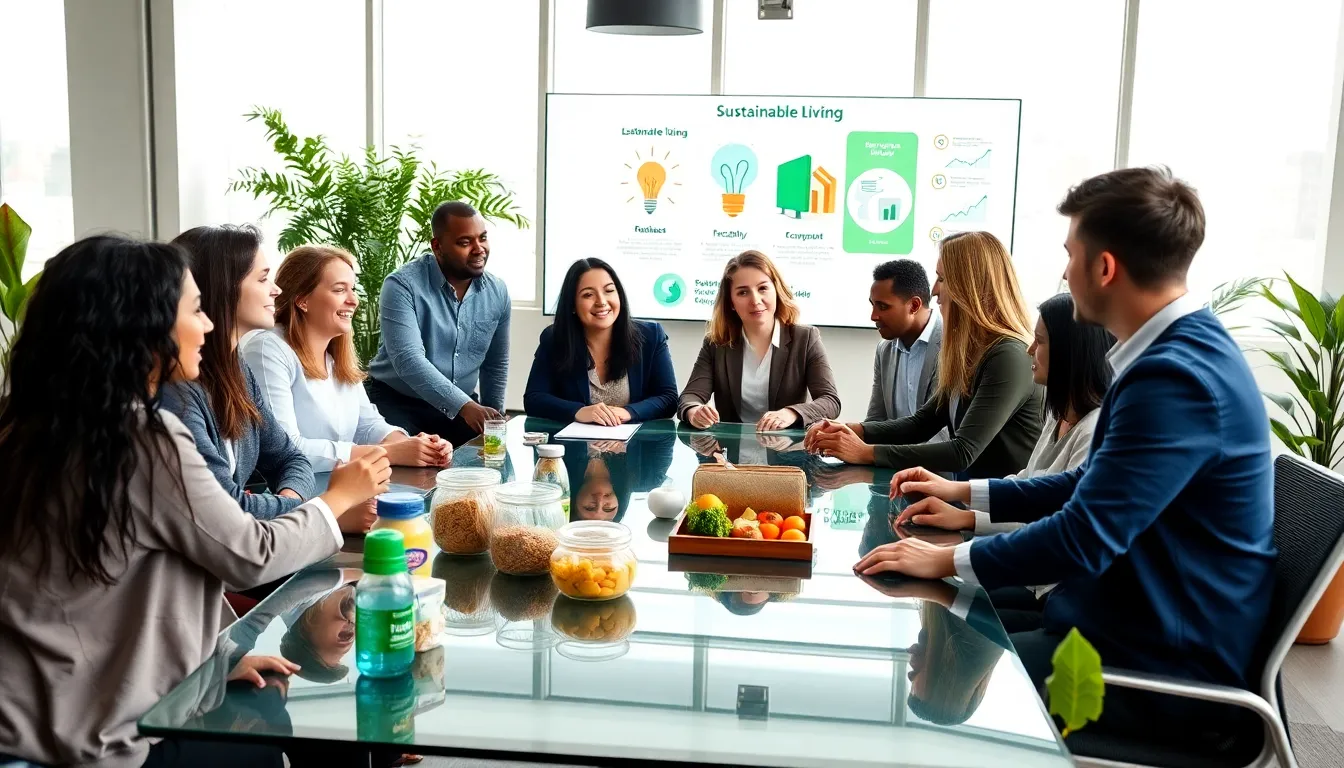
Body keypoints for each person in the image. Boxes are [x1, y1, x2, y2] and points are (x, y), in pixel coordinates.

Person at [856, 167, 1275, 752]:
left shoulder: (1174, 378)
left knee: (953, 717)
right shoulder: (1176, 355)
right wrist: (966, 498)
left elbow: (1083, 536)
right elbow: (1083, 485)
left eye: (1069, 253)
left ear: (1104, 268)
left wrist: (952, 559)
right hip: (1123, 626)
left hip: (1152, 673)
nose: (1061, 271)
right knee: (937, 603)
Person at [0, 235, 390, 768]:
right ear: (144, 329)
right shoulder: (143, 435)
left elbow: (113, 587)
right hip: (90, 732)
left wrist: (213, 660)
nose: (207, 325)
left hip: (38, 708)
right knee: (288, 736)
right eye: (196, 309)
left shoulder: (27, 423)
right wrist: (335, 497)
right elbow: (247, 552)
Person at [804, 232, 1042, 477]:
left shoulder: (1008, 356)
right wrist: (851, 429)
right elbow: (921, 424)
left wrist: (866, 452)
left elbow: (962, 452)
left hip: (1001, 512)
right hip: (968, 504)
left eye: (942, 278)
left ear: (969, 286)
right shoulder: (971, 352)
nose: (935, 290)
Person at [894, 292, 1114, 536]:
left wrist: (966, 519)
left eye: (1039, 341)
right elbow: (1026, 482)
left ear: (1069, 352)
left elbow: (1054, 523)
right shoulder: (1058, 415)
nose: (1030, 350)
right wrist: (953, 493)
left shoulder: (1093, 430)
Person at [160, 224, 319, 523]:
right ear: (224, 288)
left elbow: (291, 458)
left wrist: (285, 502)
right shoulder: (177, 393)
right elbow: (225, 510)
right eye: (262, 278)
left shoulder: (237, 370)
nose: (276, 289)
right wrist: (310, 512)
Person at [242, 245, 452, 472]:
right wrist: (385, 453)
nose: (354, 300)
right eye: (340, 290)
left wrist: (417, 446)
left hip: (339, 486)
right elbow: (283, 448)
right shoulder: (267, 348)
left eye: (353, 289)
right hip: (289, 496)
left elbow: (368, 425)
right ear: (302, 300)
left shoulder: (335, 357)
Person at [366, 201, 510, 446]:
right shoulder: (402, 286)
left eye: (482, 238)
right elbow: (408, 360)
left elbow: (495, 364)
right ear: (438, 246)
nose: (479, 249)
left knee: (486, 466)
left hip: (462, 406)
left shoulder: (497, 292)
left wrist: (493, 419)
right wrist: (464, 406)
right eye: (465, 242)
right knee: (414, 468)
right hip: (397, 402)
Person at [677, 250, 841, 431]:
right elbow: (690, 397)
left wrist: (790, 413)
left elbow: (830, 401)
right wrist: (695, 411)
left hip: (787, 452)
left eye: (763, 288)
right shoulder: (716, 343)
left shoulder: (806, 338)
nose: (755, 300)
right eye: (743, 292)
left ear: (776, 291)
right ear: (731, 302)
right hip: (731, 452)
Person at [523, 258, 678, 424]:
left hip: (636, 445)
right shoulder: (554, 338)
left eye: (609, 291)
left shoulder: (651, 335)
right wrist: (579, 411)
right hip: (574, 447)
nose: (602, 302)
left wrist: (628, 412)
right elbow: (534, 399)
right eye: (588, 294)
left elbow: (668, 399)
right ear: (572, 305)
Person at [866, 259, 942, 426]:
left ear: (914, 305)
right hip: (892, 451)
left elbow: (939, 433)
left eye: (883, 307)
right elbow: (876, 420)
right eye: (872, 305)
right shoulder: (884, 350)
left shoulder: (951, 344)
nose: (873, 316)